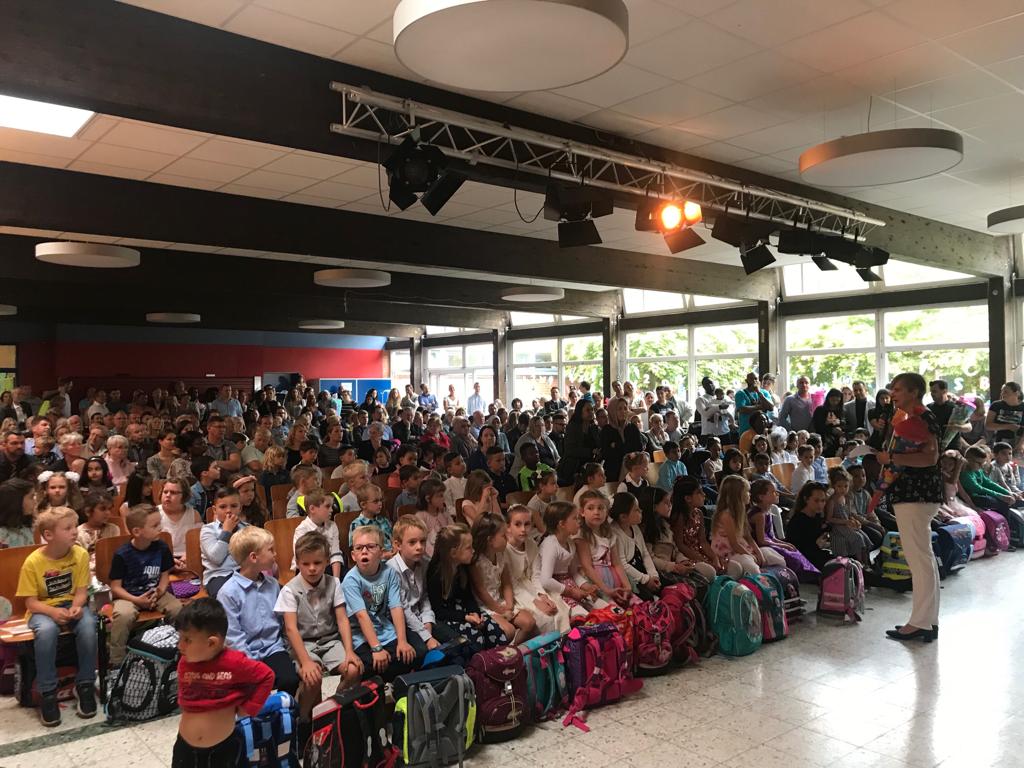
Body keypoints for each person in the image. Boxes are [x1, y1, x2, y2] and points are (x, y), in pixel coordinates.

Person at [16, 506, 97, 725]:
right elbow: (30, 602)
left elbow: (81, 592)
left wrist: (77, 607)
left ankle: (85, 684)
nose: (75, 531)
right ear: (48, 535)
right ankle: (47, 692)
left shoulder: (80, 554)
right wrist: (52, 612)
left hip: (71, 604)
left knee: (89, 626)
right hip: (43, 609)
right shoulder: (33, 562)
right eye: (67, 528)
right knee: (46, 631)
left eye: (75, 526)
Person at [877, 372, 942, 643]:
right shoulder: (913, 418)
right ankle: (927, 619)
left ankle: (920, 623)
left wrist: (892, 457)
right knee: (924, 558)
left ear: (914, 392)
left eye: (898, 389)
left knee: (918, 560)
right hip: (917, 495)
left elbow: (930, 457)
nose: (893, 393)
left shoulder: (921, 418)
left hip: (916, 495)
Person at [173, 598, 274, 768]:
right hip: (185, 748)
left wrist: (249, 708)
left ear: (212, 643)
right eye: (180, 638)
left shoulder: (235, 663)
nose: (180, 645)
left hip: (224, 749)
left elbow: (266, 676)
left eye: (187, 640)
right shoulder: (185, 661)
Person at [276, 532, 361, 724]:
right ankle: (303, 719)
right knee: (313, 677)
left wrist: (349, 651)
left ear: (327, 561)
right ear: (297, 563)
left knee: (353, 670)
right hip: (303, 643)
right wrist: (305, 661)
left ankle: (332, 707)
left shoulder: (334, 583)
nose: (312, 568)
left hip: (330, 640)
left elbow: (342, 619)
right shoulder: (289, 590)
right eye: (305, 564)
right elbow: (291, 629)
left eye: (317, 563)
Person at [217, 526, 299, 694]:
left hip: (273, 648)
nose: (275, 554)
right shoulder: (228, 592)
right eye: (270, 550)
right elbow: (233, 637)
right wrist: (251, 664)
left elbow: (282, 621)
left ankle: (284, 709)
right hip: (244, 654)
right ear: (254, 557)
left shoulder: (273, 584)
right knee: (253, 687)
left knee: (290, 680)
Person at [344, 525, 425, 680]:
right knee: (371, 664)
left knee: (414, 653)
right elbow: (362, 617)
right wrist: (377, 648)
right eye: (359, 548)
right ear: (353, 555)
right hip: (361, 635)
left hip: (385, 629)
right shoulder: (351, 580)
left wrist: (402, 641)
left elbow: (396, 607)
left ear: (381, 553)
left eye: (370, 547)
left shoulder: (389, 572)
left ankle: (397, 680)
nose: (364, 551)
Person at [427, 523, 508, 652]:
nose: (473, 551)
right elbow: (438, 611)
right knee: (475, 639)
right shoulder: (436, 573)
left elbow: (468, 596)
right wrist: (465, 617)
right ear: (453, 553)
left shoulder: (462, 567)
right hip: (447, 616)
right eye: (468, 548)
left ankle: (498, 662)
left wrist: (475, 613)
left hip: (464, 611)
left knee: (495, 631)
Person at [470, 514, 537, 645]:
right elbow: (481, 592)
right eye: (503, 536)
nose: (507, 538)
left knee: (529, 622)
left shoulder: (501, 554)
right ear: (490, 540)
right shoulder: (476, 562)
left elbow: (506, 583)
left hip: (500, 601)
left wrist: (509, 605)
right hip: (485, 606)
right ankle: (505, 652)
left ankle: (515, 649)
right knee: (508, 631)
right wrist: (500, 611)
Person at [504, 504, 570, 634]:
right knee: (543, 618)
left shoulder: (531, 544)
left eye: (527, 524)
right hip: (515, 591)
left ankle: (564, 641)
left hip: (530, 585)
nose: (523, 529)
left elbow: (535, 574)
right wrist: (535, 602)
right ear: (508, 527)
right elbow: (511, 583)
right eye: (517, 524)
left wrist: (542, 595)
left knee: (559, 610)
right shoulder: (505, 549)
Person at [389, 515, 448, 648]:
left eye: (422, 541)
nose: (419, 547)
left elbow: (424, 596)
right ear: (398, 545)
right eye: (412, 542)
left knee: (455, 641)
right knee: (423, 650)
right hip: (403, 622)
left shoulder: (424, 563)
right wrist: (427, 637)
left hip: (420, 617)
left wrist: (427, 620)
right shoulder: (391, 570)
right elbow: (403, 608)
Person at [291, 489, 344, 577]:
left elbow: (335, 554)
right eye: (327, 506)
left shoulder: (332, 525)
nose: (331, 510)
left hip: (328, 566)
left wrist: (336, 580)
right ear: (312, 509)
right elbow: (303, 559)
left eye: (331, 506)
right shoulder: (302, 530)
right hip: (308, 568)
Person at [158, 477, 202, 570]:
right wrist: (170, 560)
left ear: (184, 496)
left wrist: (188, 555)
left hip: (188, 559)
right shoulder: (154, 514)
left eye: (173, 492)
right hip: (161, 560)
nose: (168, 495)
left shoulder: (194, 514)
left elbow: (199, 541)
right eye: (165, 492)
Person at [557, 400, 600, 487]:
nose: (591, 412)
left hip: (590, 467)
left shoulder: (594, 427)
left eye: (592, 409)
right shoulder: (572, 427)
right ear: (580, 411)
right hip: (573, 467)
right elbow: (570, 450)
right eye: (588, 410)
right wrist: (590, 451)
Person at [416, 478, 453, 558]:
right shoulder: (421, 516)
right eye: (440, 496)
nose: (443, 499)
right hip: (432, 555)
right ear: (428, 499)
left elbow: (453, 529)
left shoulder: (443, 512)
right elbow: (424, 542)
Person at [987, 382, 1024, 452]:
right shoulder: (996, 405)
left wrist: (1020, 444)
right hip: (999, 442)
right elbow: (988, 425)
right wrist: (1009, 426)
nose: (1002, 394)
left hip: (1019, 442)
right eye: (1002, 391)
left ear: (1017, 393)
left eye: (1006, 392)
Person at [812, 389, 845, 457]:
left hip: (839, 442)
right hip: (824, 441)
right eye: (833, 400)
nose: (835, 403)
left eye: (837, 401)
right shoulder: (820, 410)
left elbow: (847, 424)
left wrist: (841, 429)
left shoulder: (842, 411)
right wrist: (831, 430)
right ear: (828, 399)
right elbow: (818, 426)